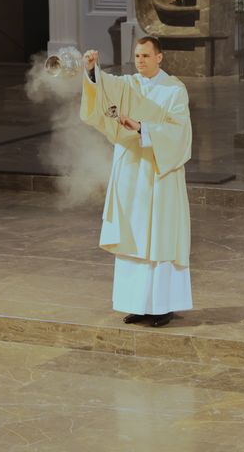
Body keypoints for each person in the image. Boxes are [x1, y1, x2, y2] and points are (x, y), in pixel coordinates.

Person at [80, 37, 192, 328]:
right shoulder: (129, 85)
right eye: (137, 55)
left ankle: (162, 305)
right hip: (131, 171)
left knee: (158, 238)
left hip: (159, 173)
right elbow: (103, 89)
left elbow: (180, 133)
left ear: (160, 58)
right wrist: (92, 70)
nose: (140, 60)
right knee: (133, 236)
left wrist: (143, 127)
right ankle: (137, 304)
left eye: (146, 55)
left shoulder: (174, 90)